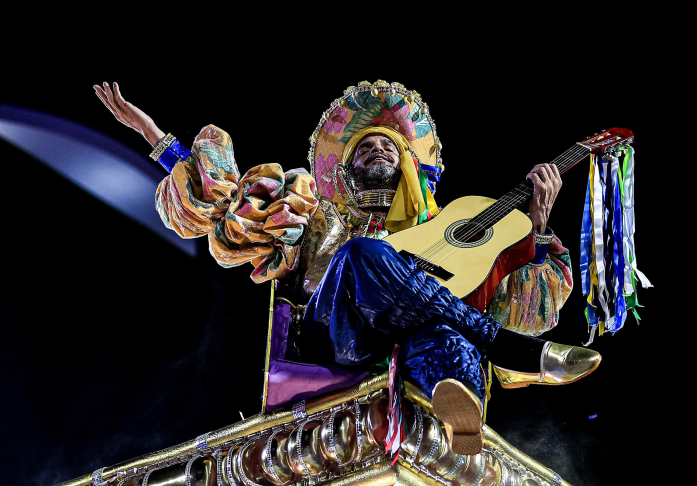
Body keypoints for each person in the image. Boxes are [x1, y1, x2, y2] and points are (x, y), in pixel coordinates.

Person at [93, 79, 600, 455]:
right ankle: (502, 347)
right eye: (365, 147)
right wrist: (156, 136)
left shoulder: (453, 232)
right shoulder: (316, 217)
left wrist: (536, 228)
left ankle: (453, 420)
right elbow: (228, 215)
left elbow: (526, 306)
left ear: (408, 164)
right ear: (345, 167)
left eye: (389, 146)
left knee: (446, 335)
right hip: (335, 335)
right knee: (362, 255)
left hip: (413, 347)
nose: (378, 149)